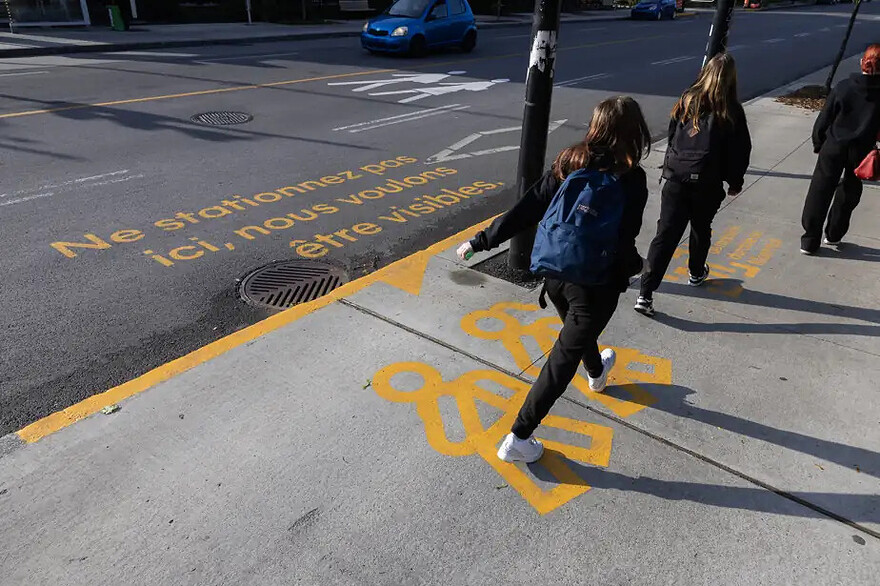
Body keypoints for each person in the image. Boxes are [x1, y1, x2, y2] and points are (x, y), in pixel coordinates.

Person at [456, 96, 651, 463]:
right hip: (596, 283)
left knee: (576, 336)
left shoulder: (571, 160)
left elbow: (529, 207)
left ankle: (596, 371)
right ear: (634, 133)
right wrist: (634, 267)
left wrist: (481, 241)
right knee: (562, 359)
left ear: (596, 126)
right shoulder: (632, 178)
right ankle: (519, 436)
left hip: (554, 272)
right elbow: (625, 238)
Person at [634, 52, 751, 318]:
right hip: (707, 183)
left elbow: (673, 135)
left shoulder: (687, 100)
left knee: (665, 235)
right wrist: (735, 182)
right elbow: (740, 151)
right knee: (700, 228)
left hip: (676, 179)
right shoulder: (731, 110)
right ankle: (696, 272)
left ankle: (645, 293)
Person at [800, 44, 880, 255]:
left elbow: (824, 119)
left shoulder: (843, 87)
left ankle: (809, 240)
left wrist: (819, 142)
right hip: (862, 153)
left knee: (820, 191)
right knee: (849, 193)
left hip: (833, 146)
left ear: (862, 63)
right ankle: (834, 233)